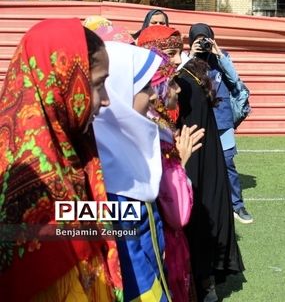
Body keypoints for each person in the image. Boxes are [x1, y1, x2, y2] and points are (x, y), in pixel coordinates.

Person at [0, 18, 121, 300]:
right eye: (98, 84)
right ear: (62, 84)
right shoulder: (32, 189)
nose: (106, 100)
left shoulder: (70, 152)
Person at [137, 25, 245, 302]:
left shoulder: (183, 83)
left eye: (179, 51)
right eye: (170, 52)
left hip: (190, 170)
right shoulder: (143, 101)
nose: (176, 59)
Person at [93, 41, 171, 301]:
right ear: (118, 90)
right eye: (144, 86)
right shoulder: (106, 175)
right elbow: (130, 261)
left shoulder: (122, 149)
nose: (153, 95)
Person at [187, 23, 254, 224]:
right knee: (197, 164)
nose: (203, 43)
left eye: (205, 39)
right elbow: (179, 79)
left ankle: (237, 204)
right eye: (198, 40)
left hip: (222, 120)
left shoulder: (221, 57)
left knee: (227, 163)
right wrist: (191, 55)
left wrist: (218, 54)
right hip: (197, 119)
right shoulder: (187, 59)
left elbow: (235, 80)